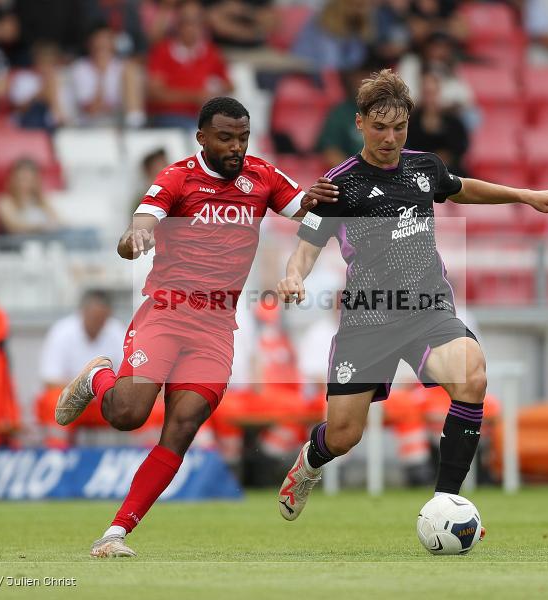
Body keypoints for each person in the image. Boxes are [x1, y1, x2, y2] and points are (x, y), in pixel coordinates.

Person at [274, 69, 548, 521]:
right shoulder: (339, 183)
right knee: (344, 436)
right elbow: (307, 246)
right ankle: (310, 462)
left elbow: (462, 187)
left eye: (399, 127)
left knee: (471, 377)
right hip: (368, 320)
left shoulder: (423, 167)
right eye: (380, 127)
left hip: (427, 308)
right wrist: (294, 277)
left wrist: (524, 195)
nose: (390, 137)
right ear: (360, 123)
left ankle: (447, 501)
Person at [52, 97, 335, 557]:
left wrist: (330, 209)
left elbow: (307, 207)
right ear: (201, 138)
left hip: (217, 324)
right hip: (167, 310)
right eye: (226, 137)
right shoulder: (177, 177)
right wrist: (135, 238)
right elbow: (140, 224)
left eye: (243, 137)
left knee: (182, 427)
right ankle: (98, 377)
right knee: (128, 415)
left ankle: (116, 533)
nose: (236, 147)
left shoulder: (262, 176)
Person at [37, 289, 126, 448]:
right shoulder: (62, 331)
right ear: (82, 312)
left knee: (148, 403)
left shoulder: (117, 331)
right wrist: (87, 388)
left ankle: (143, 460)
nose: (97, 322)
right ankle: (57, 455)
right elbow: (50, 380)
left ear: (108, 315)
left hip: (105, 402)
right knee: (51, 400)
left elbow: (129, 377)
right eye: (93, 316)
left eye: (102, 318)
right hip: (74, 401)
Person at [145, 0, 232, 130]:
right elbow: (155, 93)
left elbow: (228, 85)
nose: (192, 27)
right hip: (169, 116)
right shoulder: (163, 51)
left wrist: (214, 91)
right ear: (178, 24)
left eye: (197, 22)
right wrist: (194, 97)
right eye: (187, 22)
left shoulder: (211, 52)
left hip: (202, 117)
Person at [66, 23, 144, 128]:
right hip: (89, 124)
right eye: (99, 40)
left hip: (119, 121)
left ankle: (135, 126)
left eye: (106, 39)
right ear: (90, 43)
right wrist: (101, 76)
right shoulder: (79, 69)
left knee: (131, 71)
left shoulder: (123, 67)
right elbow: (92, 110)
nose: (103, 44)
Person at [0, 157, 60, 236]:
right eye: (21, 178)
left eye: (29, 179)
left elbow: (57, 220)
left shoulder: (42, 201)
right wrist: (40, 227)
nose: (24, 183)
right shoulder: (6, 201)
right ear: (13, 179)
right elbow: (13, 226)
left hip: (47, 238)